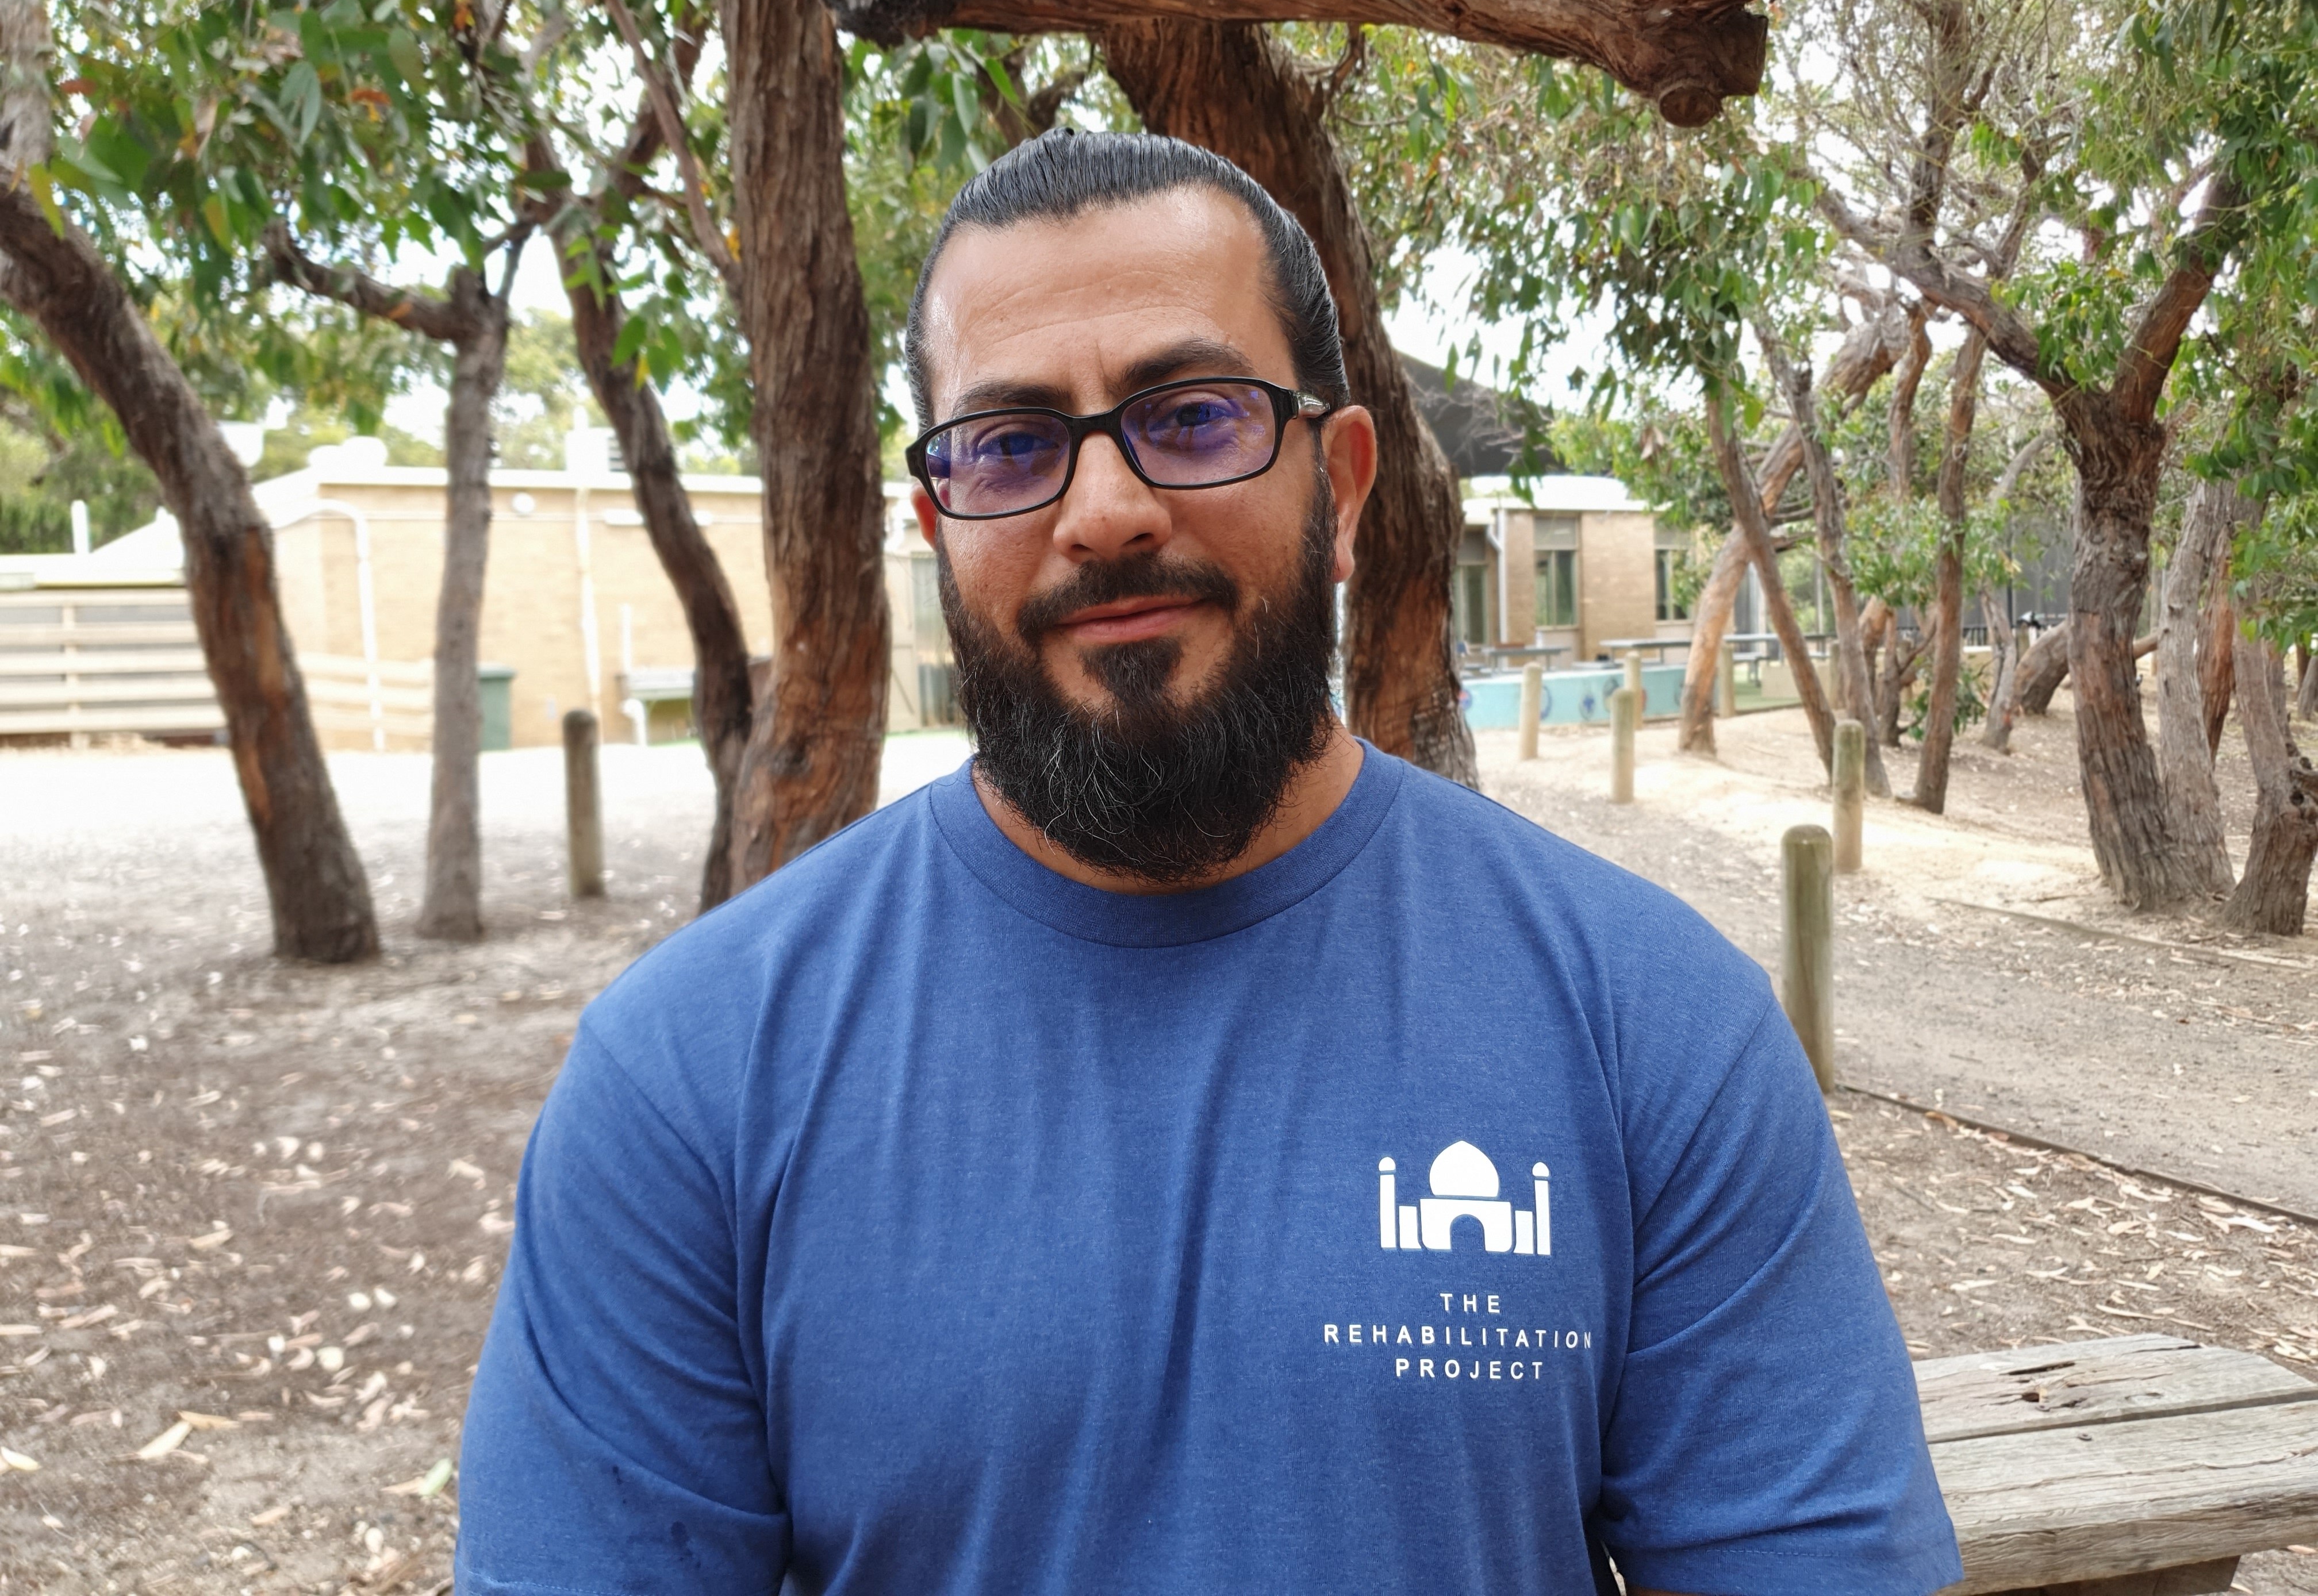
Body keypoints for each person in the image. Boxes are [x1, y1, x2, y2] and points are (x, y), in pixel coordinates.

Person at [455, 130, 1961, 1596]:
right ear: (938, 524)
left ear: (1343, 486)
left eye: (1191, 416)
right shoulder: (691, 1081)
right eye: (1011, 444)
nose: (1104, 513)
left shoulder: (1650, 1026)